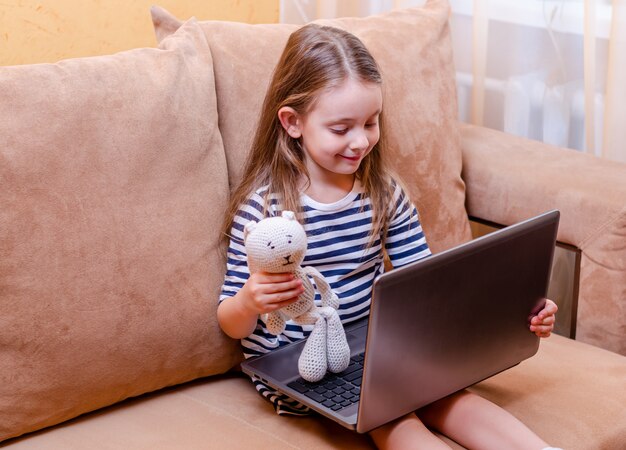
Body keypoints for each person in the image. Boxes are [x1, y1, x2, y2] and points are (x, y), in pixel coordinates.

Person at [217, 23, 560, 450]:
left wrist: (515, 311)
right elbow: (230, 323)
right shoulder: (264, 211)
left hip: (378, 349)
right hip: (304, 366)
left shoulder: (383, 192)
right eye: (341, 129)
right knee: (393, 418)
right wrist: (250, 300)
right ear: (293, 122)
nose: (361, 141)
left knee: (453, 396)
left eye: (371, 122)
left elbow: (427, 284)